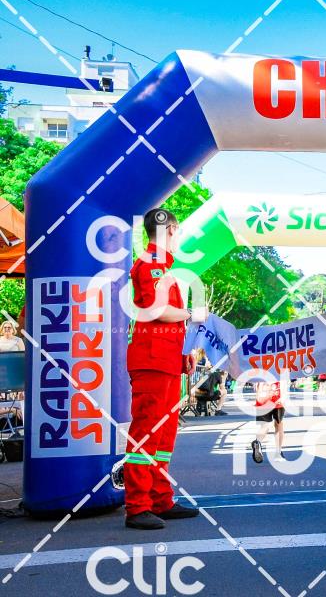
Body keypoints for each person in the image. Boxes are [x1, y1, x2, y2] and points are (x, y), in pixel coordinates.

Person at [125, 208, 204, 530]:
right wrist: (192, 314)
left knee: (163, 436)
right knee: (146, 434)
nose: (179, 237)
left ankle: (160, 500)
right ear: (170, 229)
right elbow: (157, 310)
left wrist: (184, 352)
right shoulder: (151, 264)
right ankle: (138, 506)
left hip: (166, 361)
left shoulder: (161, 266)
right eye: (178, 231)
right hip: (152, 361)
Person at [251, 381, 286, 463]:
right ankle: (278, 453)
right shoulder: (281, 372)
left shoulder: (259, 372)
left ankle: (258, 442)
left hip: (262, 399)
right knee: (279, 426)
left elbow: (255, 385)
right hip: (277, 398)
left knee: (264, 426)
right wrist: (283, 397)